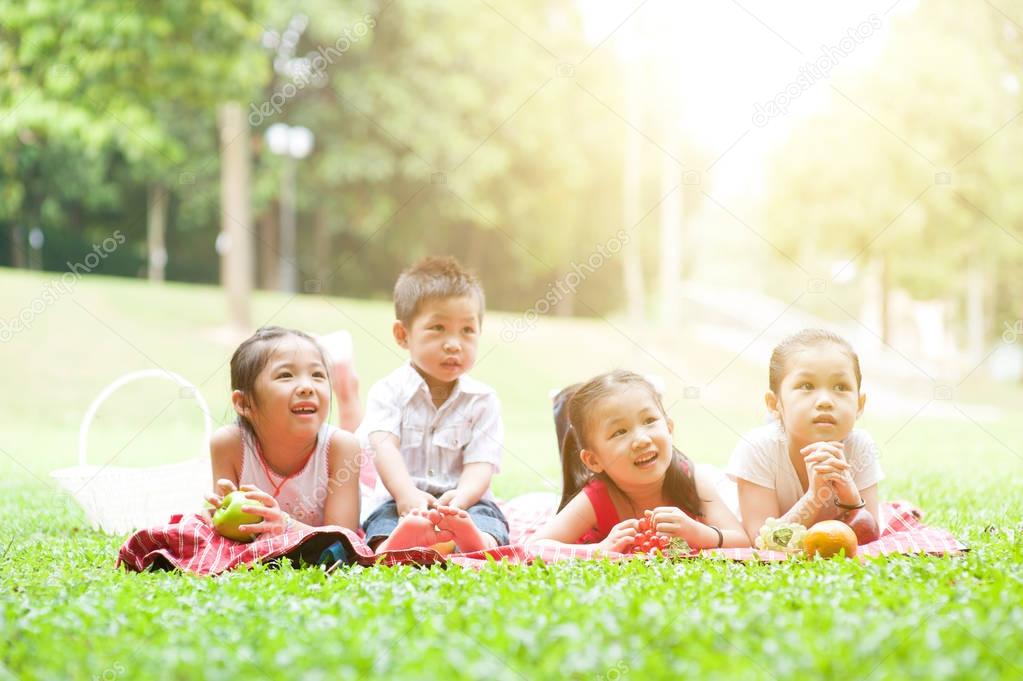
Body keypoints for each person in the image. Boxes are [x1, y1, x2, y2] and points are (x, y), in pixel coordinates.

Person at [357, 256, 509, 553]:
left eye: (467, 330)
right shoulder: (388, 392)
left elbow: (481, 463)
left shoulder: (483, 400)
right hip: (400, 502)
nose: (454, 343)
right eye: (438, 327)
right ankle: (393, 545)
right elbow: (384, 449)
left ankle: (477, 543)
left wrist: (460, 501)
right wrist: (406, 495)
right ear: (403, 335)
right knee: (381, 520)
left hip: (467, 503)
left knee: (490, 520)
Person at [529, 370, 748, 552]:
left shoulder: (694, 480)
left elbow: (741, 540)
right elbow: (535, 547)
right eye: (619, 432)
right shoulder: (596, 498)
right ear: (594, 460)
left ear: (669, 428)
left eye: (650, 420)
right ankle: (562, 399)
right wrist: (597, 550)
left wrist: (697, 533)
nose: (641, 440)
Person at [726, 328, 883, 542]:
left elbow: (870, 539)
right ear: (774, 404)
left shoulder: (859, 447)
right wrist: (813, 498)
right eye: (806, 386)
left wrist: (850, 495)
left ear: (859, 404)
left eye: (841, 387)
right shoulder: (757, 448)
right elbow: (761, 542)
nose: (825, 401)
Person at [203, 326, 362, 536]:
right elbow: (229, 534)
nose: (307, 386)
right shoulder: (230, 445)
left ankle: (347, 386)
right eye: (286, 375)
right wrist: (222, 514)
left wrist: (285, 525)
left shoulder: (341, 448)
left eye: (317, 375)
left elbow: (343, 539)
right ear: (244, 403)